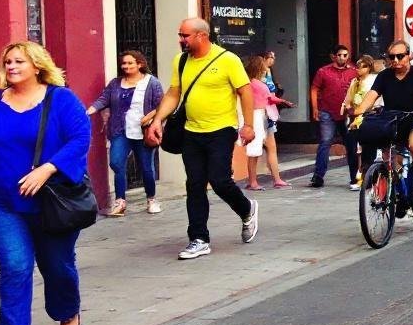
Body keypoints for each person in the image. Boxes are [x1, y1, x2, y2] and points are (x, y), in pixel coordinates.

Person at [0, 42, 91, 325]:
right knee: (14, 266)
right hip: (2, 203)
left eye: (19, 61)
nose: (11, 66)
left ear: (37, 65)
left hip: (51, 201)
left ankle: (67, 311)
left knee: (57, 267)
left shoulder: (60, 99)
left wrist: (48, 167)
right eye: (8, 61)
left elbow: (80, 138)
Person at [143, 18, 257, 260]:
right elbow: (174, 92)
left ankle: (247, 209)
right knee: (194, 184)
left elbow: (245, 91)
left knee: (219, 181)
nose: (181, 40)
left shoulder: (228, 60)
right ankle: (199, 238)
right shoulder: (181, 60)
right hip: (191, 131)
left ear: (201, 36)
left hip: (222, 129)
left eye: (184, 35)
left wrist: (248, 125)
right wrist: (157, 120)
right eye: (180, 35)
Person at [351, 41, 413, 194]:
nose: (396, 60)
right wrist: (356, 113)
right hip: (392, 121)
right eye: (392, 57)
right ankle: (396, 192)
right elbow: (370, 97)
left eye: (400, 56)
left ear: (410, 56)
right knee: (388, 159)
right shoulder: (384, 76)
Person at [87, 50, 164, 216]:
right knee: (116, 163)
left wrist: (152, 119)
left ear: (140, 64)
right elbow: (103, 99)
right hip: (120, 130)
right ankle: (120, 202)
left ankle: (151, 198)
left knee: (146, 168)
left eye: (130, 63)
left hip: (143, 132)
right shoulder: (115, 83)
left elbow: (162, 106)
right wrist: (88, 111)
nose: (126, 66)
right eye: (123, 63)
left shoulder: (152, 83)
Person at [308, 45, 357, 189]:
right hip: (327, 111)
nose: (343, 57)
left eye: (345, 55)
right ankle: (318, 176)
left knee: (351, 145)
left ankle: (354, 177)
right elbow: (314, 89)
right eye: (340, 55)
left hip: (347, 113)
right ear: (333, 56)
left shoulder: (354, 71)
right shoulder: (323, 71)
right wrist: (315, 108)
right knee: (325, 142)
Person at [243, 55, 292, 189]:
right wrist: (283, 101)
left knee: (259, 149)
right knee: (255, 150)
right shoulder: (257, 84)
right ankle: (254, 182)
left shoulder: (250, 83)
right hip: (258, 116)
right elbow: (269, 97)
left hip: (260, 115)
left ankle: (262, 180)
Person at [342, 55, 379, 187]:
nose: (359, 69)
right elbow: (348, 100)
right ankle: (354, 177)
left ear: (369, 67)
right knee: (352, 148)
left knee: (368, 150)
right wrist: (348, 108)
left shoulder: (374, 80)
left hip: (370, 117)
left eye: (362, 66)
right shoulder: (354, 82)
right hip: (354, 119)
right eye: (357, 66)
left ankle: (367, 177)